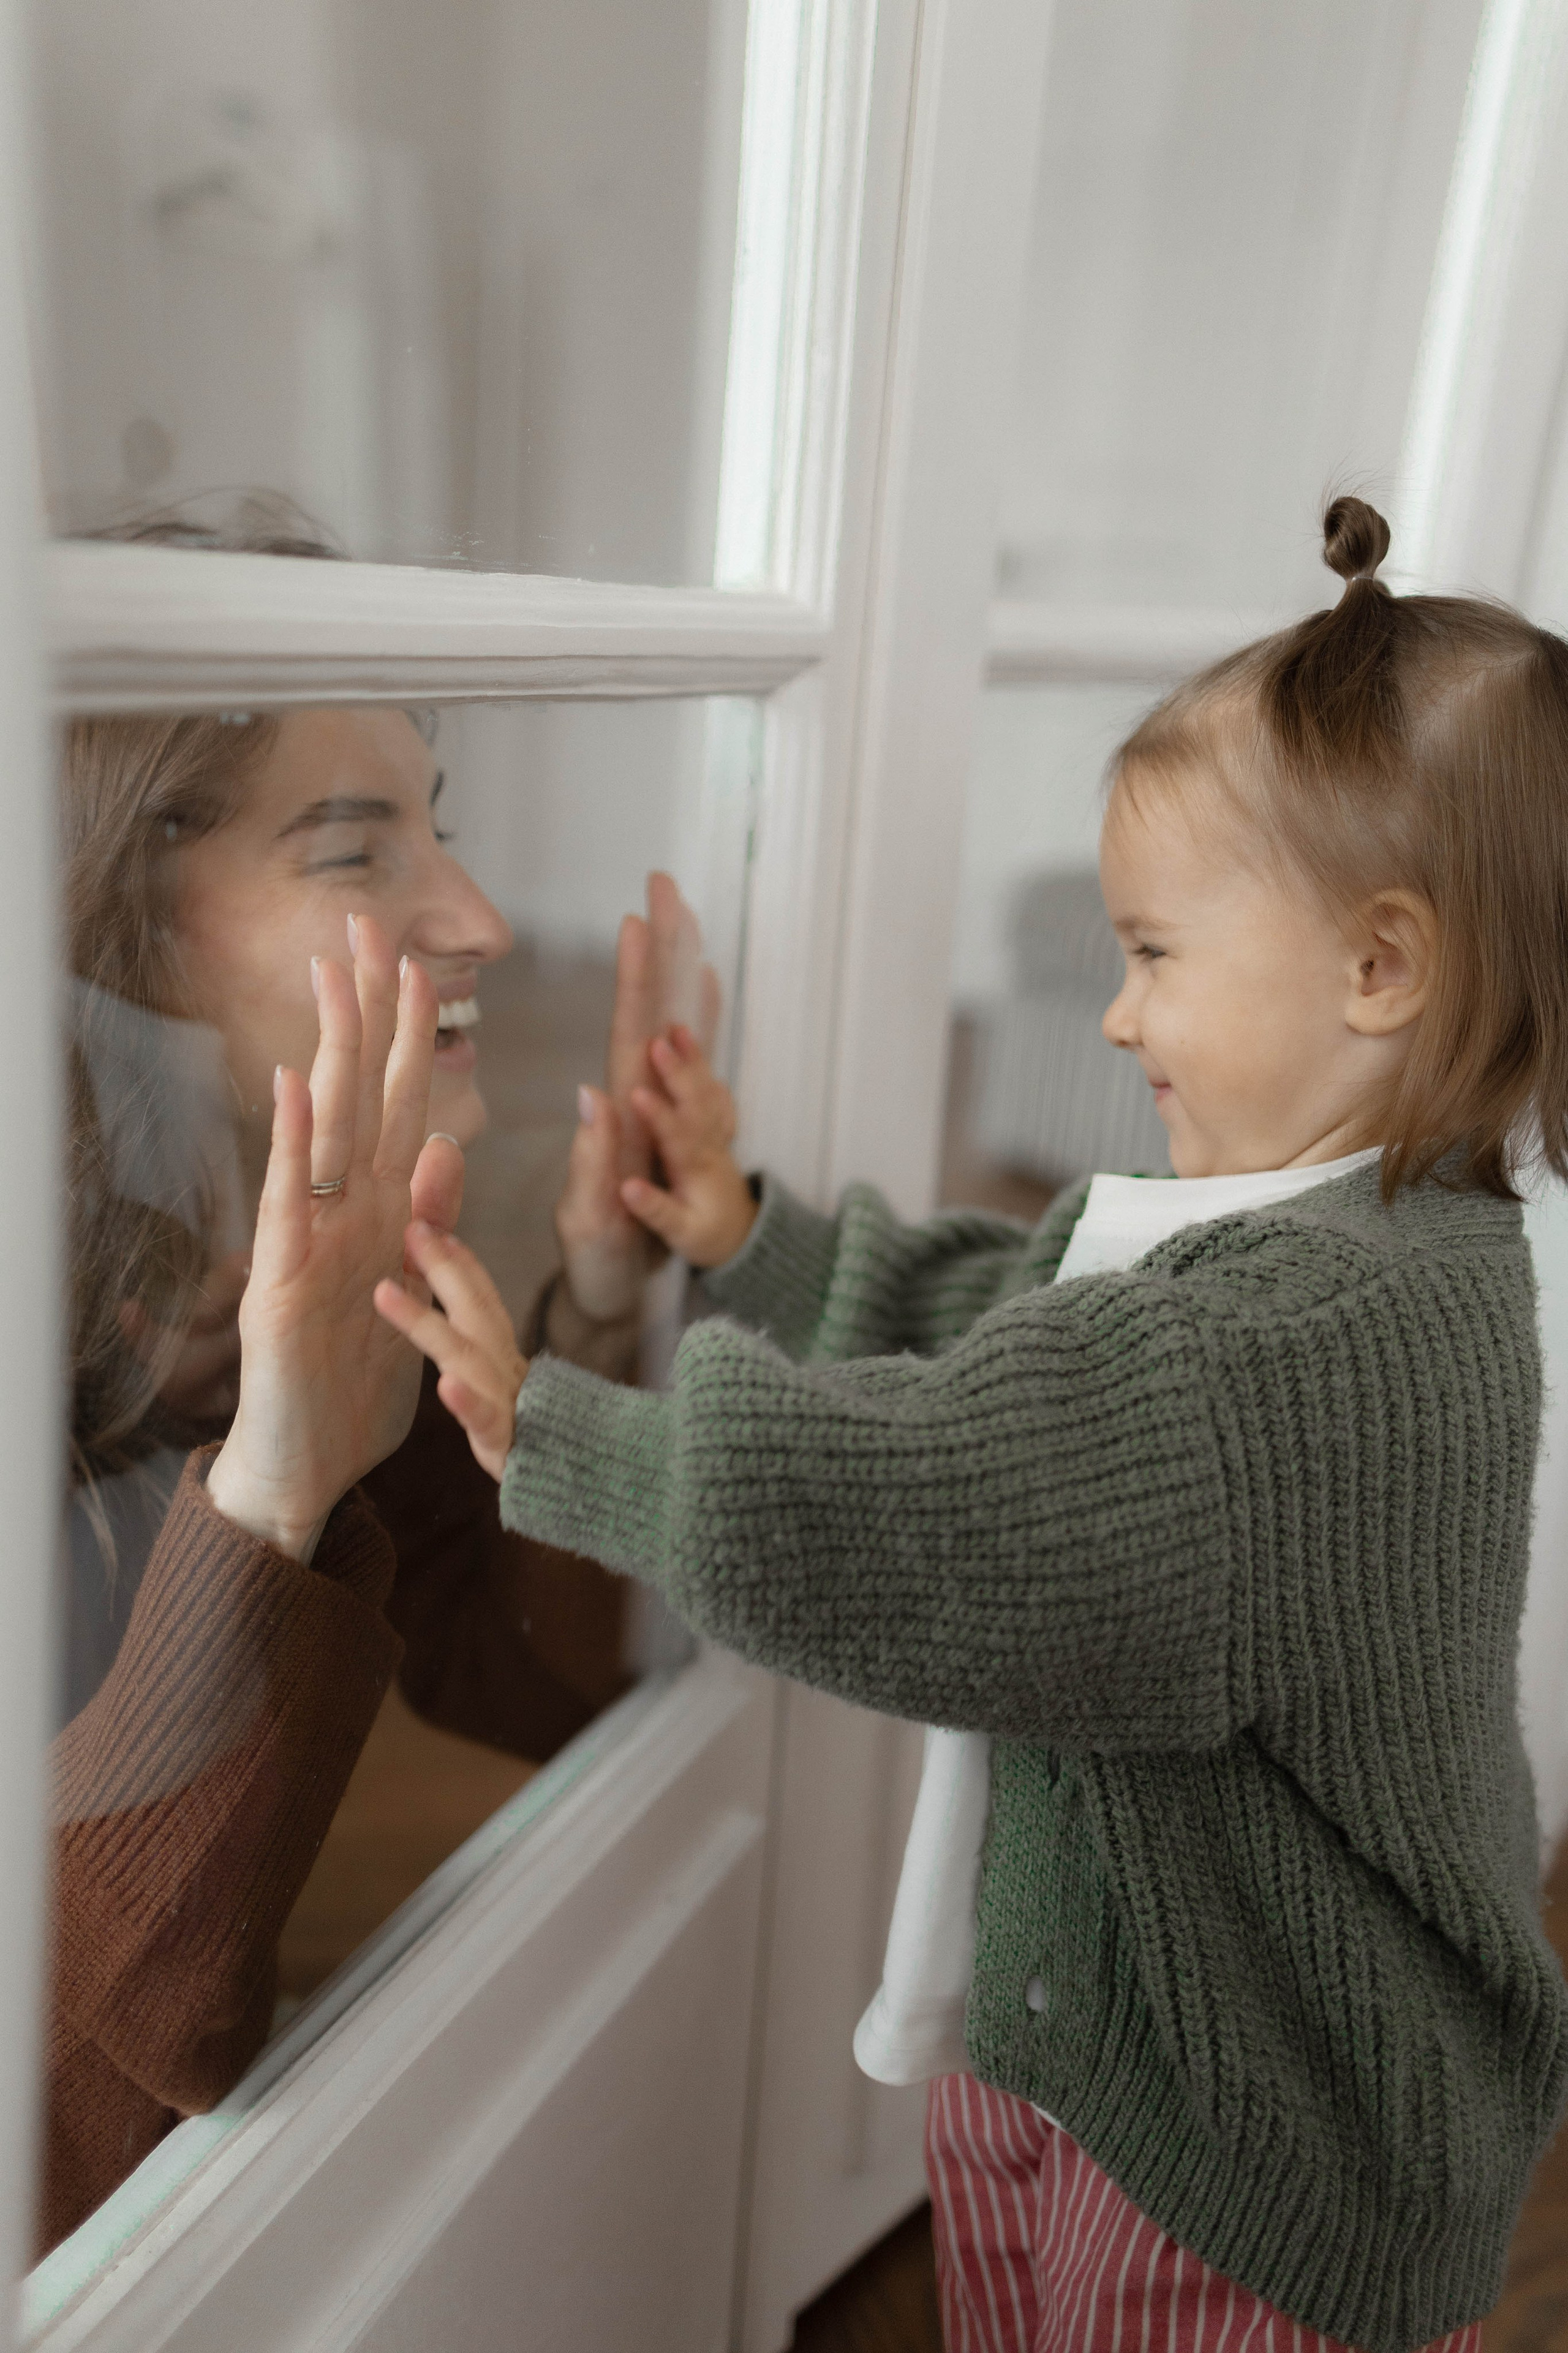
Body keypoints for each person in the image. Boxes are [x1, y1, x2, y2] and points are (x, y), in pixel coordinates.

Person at [378, 497, 1568, 2353]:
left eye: (1159, 953)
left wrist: (566, 1431)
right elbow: (1046, 1339)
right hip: (1121, 2047)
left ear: (1381, 968)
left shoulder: (1298, 1346)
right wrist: (760, 1238)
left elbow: (932, 1500)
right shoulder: (1372, 1236)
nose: (1113, 1013)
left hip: (1253, 2160)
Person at [48, 543, 707, 2254]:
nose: (483, 918)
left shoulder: (296, 1275)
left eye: (441, 822)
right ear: (97, 912)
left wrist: (610, 1293)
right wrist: (268, 1497)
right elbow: (67, 2148)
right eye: (356, 847)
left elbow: (541, 1677)